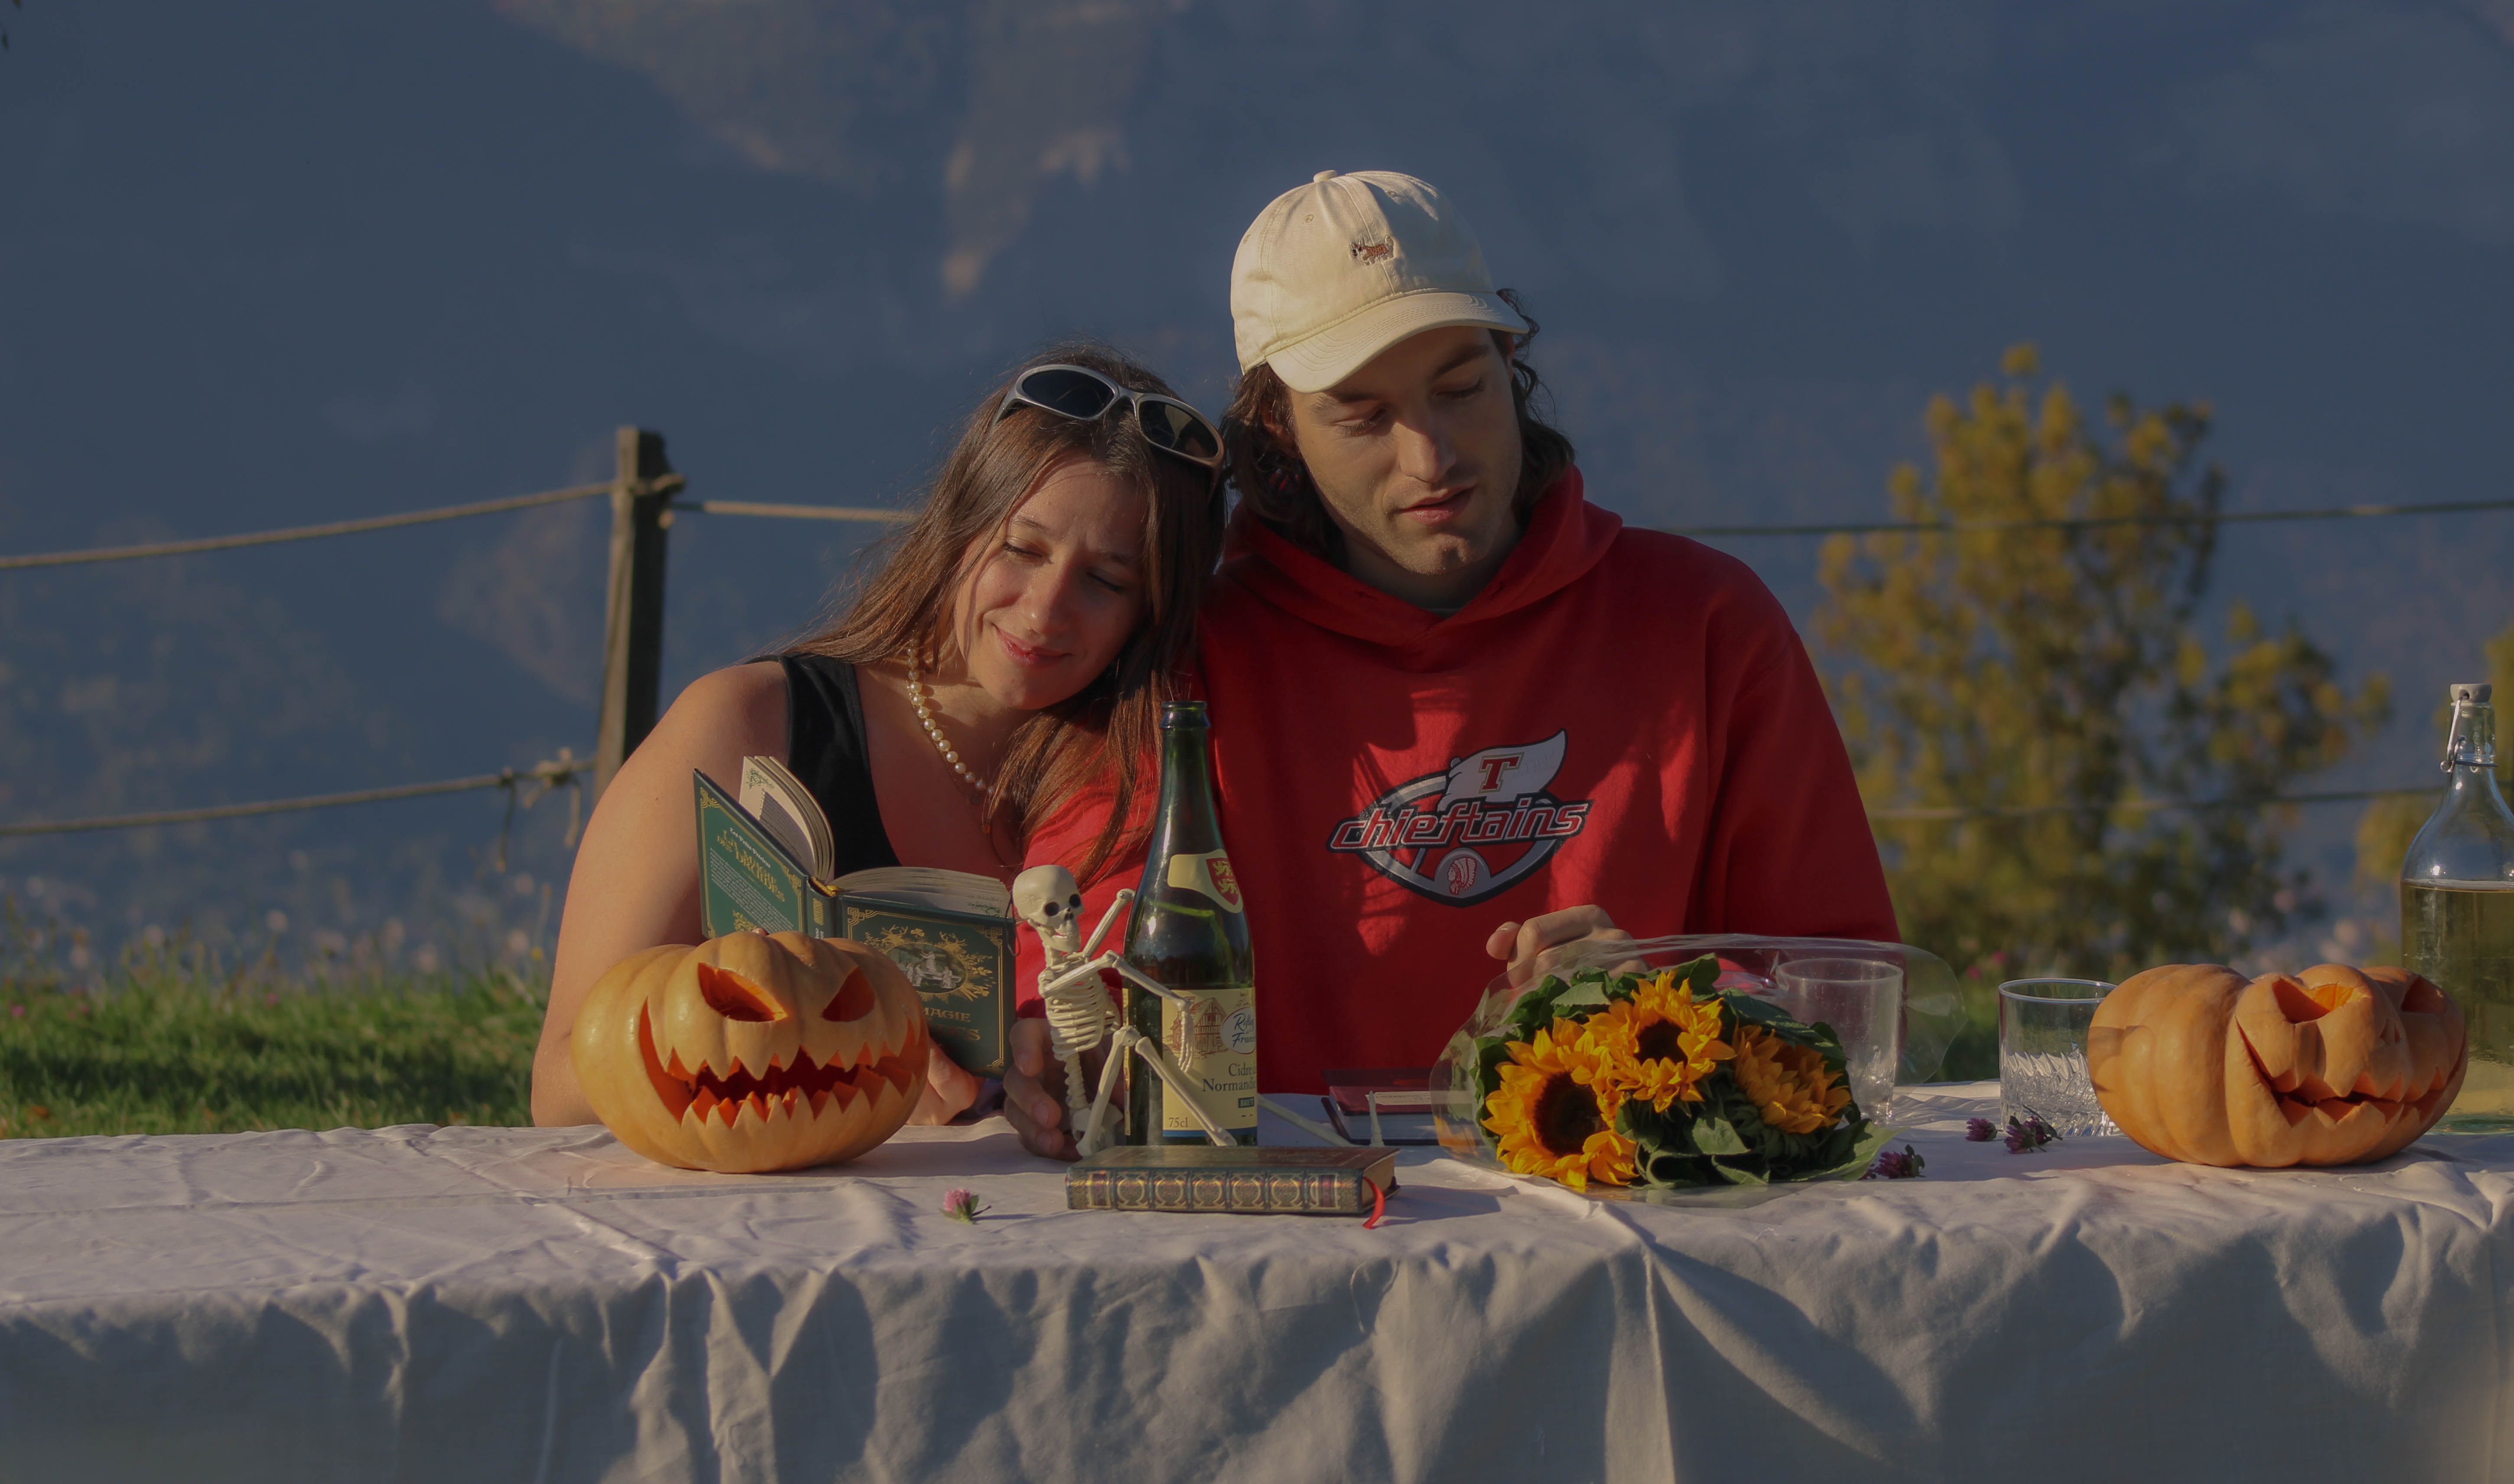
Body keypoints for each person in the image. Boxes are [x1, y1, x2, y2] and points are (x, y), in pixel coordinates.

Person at [1004, 170, 1896, 1157]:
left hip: (1622, 1237)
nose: (1431, 456)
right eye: (1363, 414)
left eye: (1461, 389)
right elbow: (1067, 977)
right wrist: (1039, 1048)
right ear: (1275, 431)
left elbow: (1853, 1005)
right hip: (1288, 1237)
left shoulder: (1706, 625)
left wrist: (1661, 994)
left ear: (1510, 359)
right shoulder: (1187, 664)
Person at [530, 344, 1226, 1127]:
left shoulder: (1157, 782)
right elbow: (561, 1086)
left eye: (1107, 581)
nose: (1044, 609)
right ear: (961, 527)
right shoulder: (746, 726)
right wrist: (820, 1054)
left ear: (1150, 615)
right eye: (1022, 549)